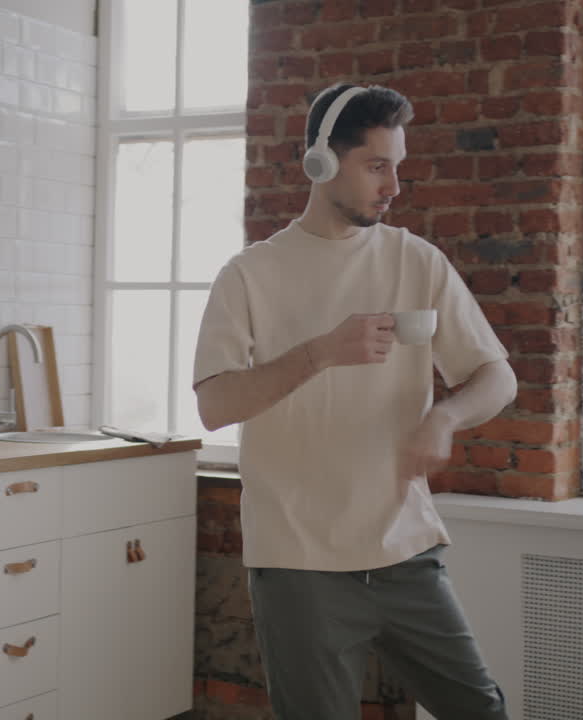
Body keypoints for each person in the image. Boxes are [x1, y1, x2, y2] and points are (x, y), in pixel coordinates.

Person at [192, 81, 517, 720]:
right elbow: (215, 404)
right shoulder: (248, 275)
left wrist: (445, 415)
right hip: (297, 564)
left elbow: (495, 375)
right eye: (376, 166)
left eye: (397, 167)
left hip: (405, 551)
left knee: (482, 713)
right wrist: (320, 353)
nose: (393, 185)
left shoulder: (417, 262)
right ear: (321, 160)